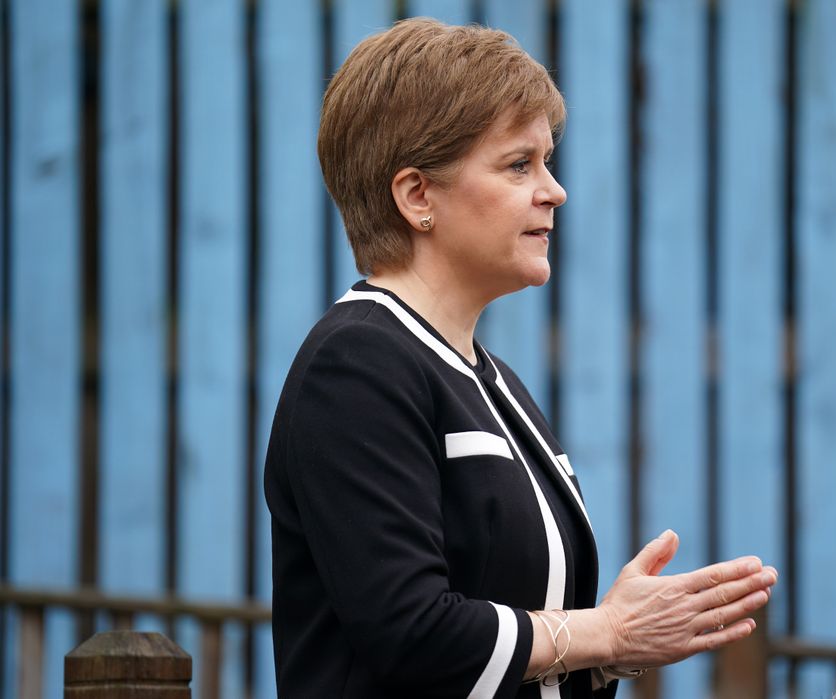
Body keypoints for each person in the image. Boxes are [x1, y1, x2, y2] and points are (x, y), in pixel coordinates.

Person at [264, 17, 777, 698]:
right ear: (417, 195)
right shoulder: (357, 364)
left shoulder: (494, 380)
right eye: (518, 164)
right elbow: (409, 630)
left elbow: (504, 659)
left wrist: (614, 651)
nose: (554, 190)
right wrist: (604, 632)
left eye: (547, 161)